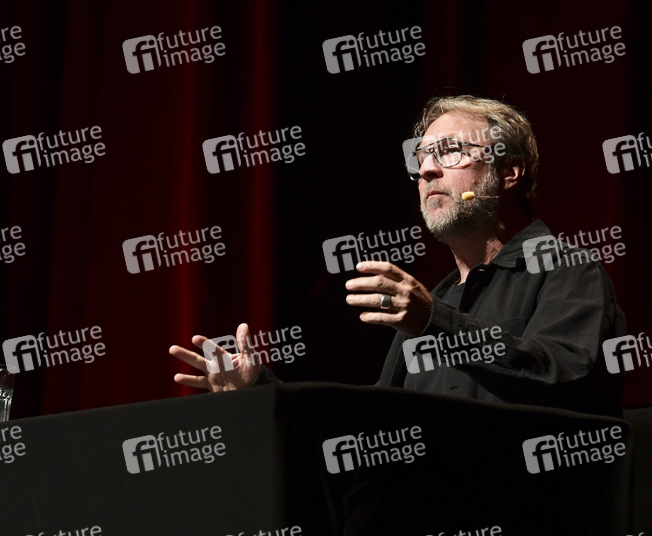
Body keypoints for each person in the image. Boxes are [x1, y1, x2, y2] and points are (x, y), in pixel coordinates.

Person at [169, 95, 626, 417]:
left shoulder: (566, 270)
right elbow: (373, 426)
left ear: (509, 172)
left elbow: (568, 378)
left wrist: (435, 324)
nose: (427, 169)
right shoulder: (436, 300)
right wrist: (259, 389)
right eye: (421, 156)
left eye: (450, 152)